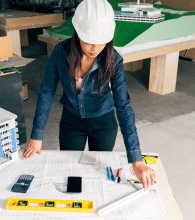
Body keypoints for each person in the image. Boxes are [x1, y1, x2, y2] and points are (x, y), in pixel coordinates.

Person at [23, 0, 156, 188]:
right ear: (77, 32)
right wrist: (37, 135)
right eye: (88, 41)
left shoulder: (114, 60)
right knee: (69, 172)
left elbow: (124, 106)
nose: (94, 48)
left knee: (99, 176)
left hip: (103, 123)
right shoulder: (61, 53)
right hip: (71, 122)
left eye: (101, 42)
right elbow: (46, 92)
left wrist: (136, 159)